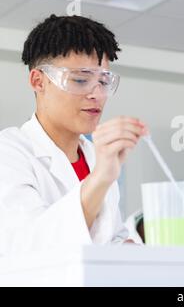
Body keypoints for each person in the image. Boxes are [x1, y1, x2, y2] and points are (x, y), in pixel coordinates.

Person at [0, 14, 148, 255]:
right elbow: (31, 248)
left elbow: (111, 238)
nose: (96, 94)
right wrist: (100, 178)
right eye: (80, 80)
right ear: (38, 82)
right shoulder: (9, 154)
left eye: (103, 81)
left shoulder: (95, 157)